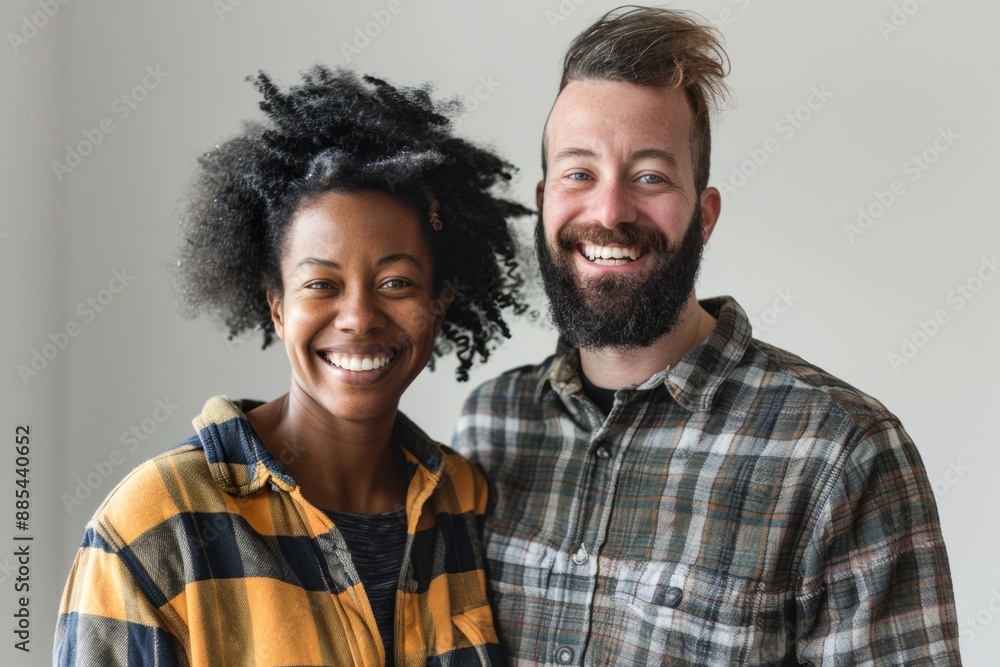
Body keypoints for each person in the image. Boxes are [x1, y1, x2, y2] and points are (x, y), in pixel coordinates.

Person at [453, 6, 961, 666]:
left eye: (651, 176)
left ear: (705, 214)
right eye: (580, 173)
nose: (609, 210)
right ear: (545, 201)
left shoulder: (844, 453)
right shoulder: (489, 427)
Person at [54, 65, 529, 666]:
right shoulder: (154, 525)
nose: (358, 317)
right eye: (321, 284)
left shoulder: (464, 501)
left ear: (439, 305)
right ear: (277, 307)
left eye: (396, 281)